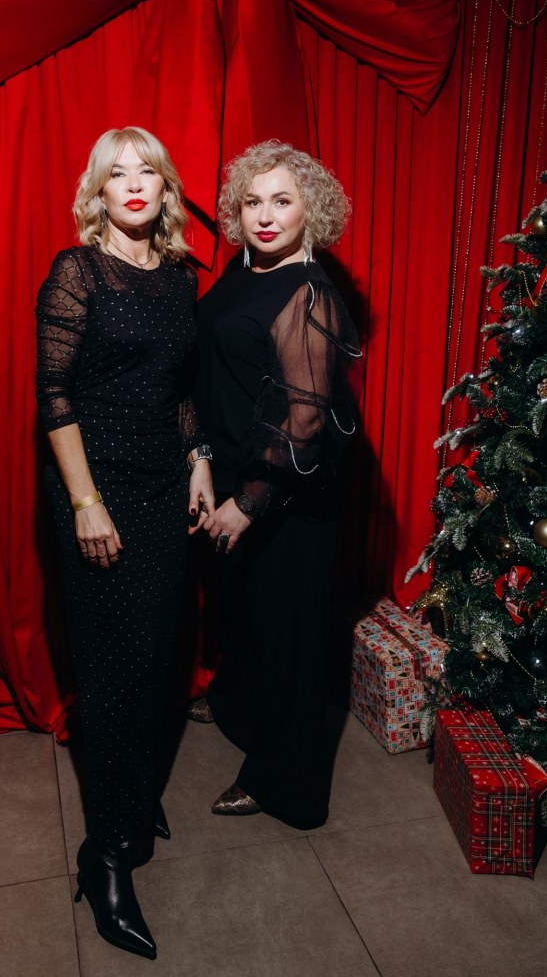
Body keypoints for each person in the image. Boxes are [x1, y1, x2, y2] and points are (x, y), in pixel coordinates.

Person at [35, 127, 213, 960]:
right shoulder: (77, 272)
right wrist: (85, 504)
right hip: (96, 488)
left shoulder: (180, 277)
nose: (134, 184)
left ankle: (134, 797)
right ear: (98, 193)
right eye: (118, 173)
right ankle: (104, 855)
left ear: (166, 189)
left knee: (153, 653)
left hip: (162, 484)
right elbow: (55, 394)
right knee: (109, 670)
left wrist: (199, 458)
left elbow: (178, 389)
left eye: (148, 172)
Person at [191, 139, 361, 829]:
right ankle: (239, 708)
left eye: (282, 201)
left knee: (288, 635)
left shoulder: (307, 291)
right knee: (247, 616)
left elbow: (307, 421)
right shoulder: (243, 271)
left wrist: (248, 503)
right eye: (252, 202)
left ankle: (283, 782)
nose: (264, 216)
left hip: (286, 494)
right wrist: (204, 461)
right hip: (236, 473)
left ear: (309, 211)